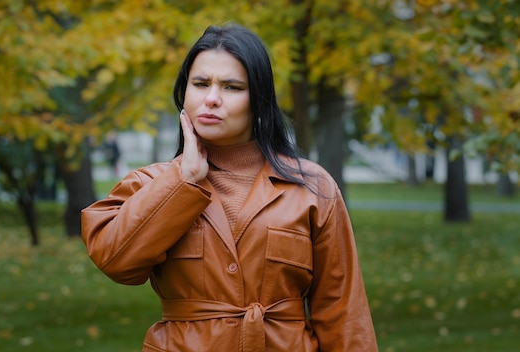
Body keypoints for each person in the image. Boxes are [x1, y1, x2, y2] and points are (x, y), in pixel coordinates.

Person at [82, 23, 378, 351]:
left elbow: (343, 311)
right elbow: (116, 261)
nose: (211, 99)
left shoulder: (310, 187)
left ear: (259, 100)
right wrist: (184, 180)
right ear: (185, 93)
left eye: (232, 87)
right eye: (200, 83)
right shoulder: (150, 183)